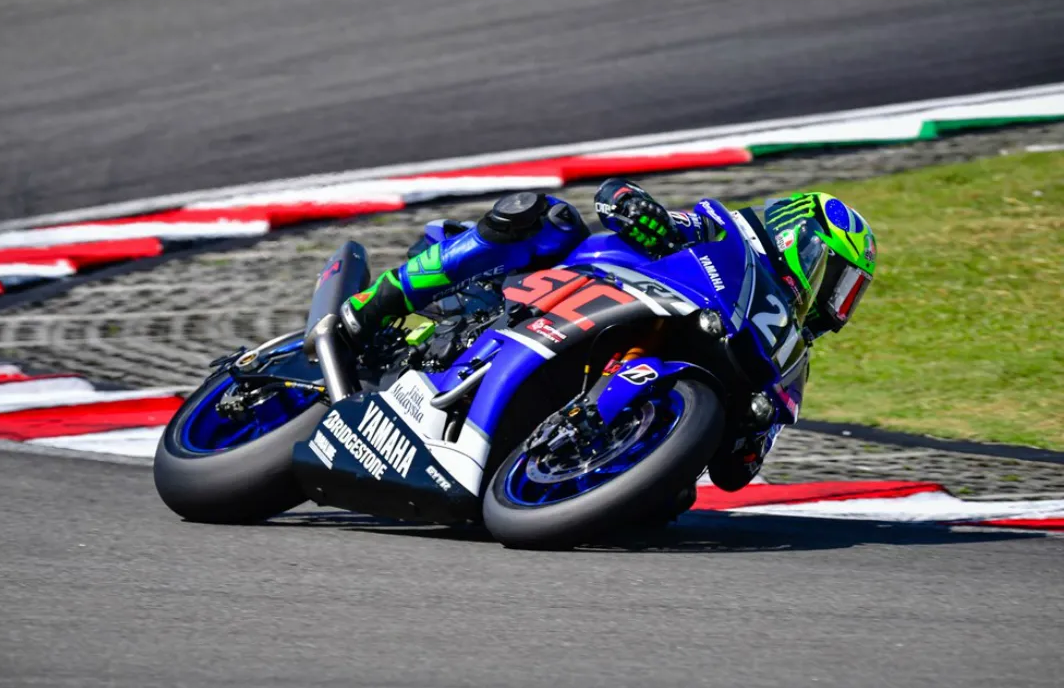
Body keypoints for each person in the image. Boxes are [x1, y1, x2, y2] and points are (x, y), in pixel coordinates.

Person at [341, 178, 877, 489]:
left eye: (848, 293)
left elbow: (735, 474)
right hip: (559, 296)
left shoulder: (792, 358)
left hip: (633, 391)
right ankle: (375, 304)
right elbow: (615, 197)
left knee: (670, 509)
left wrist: (752, 428)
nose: (837, 301)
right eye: (837, 279)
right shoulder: (723, 230)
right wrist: (640, 212)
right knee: (546, 219)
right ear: (799, 242)